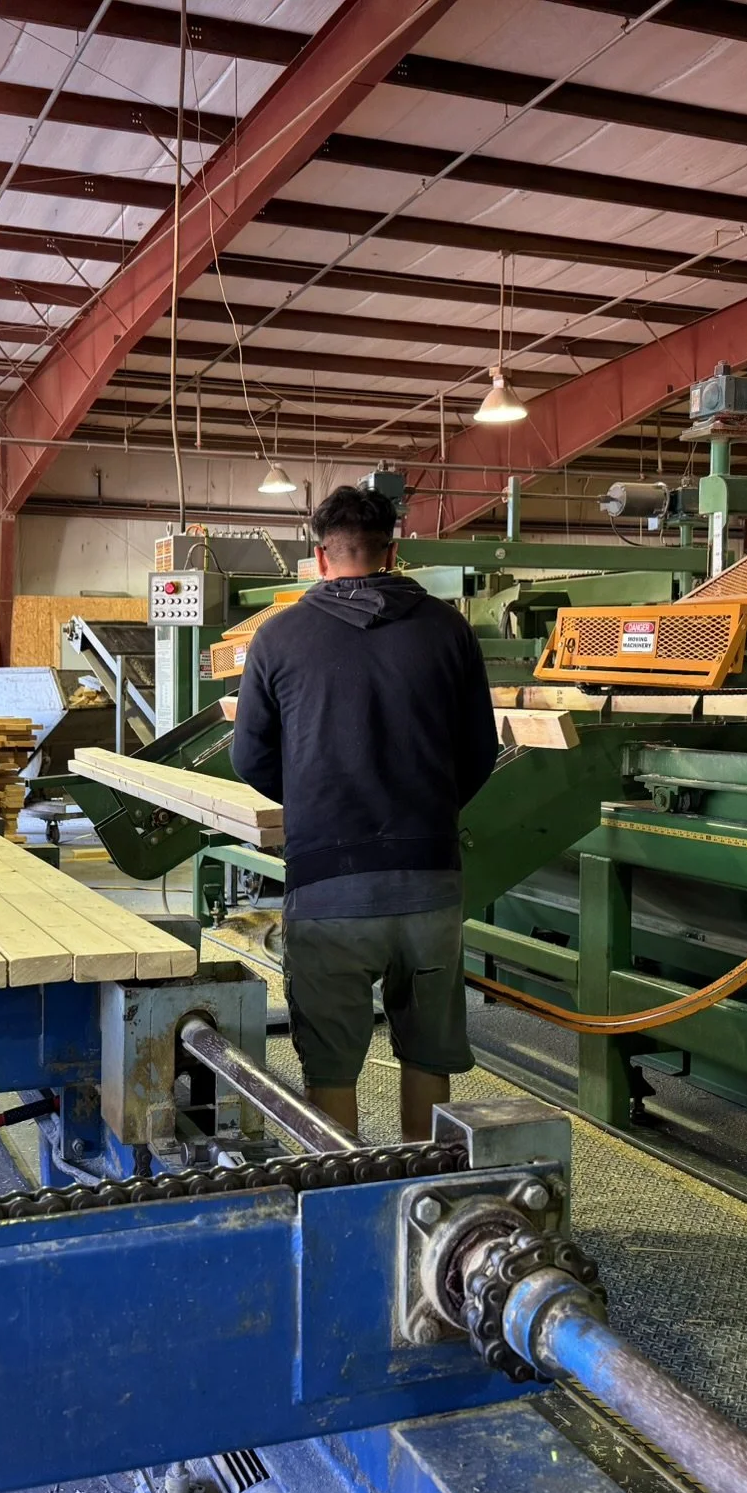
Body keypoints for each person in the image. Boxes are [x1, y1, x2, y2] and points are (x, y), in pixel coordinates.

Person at [230, 483, 499, 1141]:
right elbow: (479, 752)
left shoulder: (279, 636)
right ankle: (424, 1188)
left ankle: (342, 1192)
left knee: (330, 1067)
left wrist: (316, 803)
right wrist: (425, 811)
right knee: (427, 1054)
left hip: (328, 886)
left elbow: (249, 757)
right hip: (429, 882)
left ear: (321, 557)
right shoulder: (448, 629)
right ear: (393, 552)